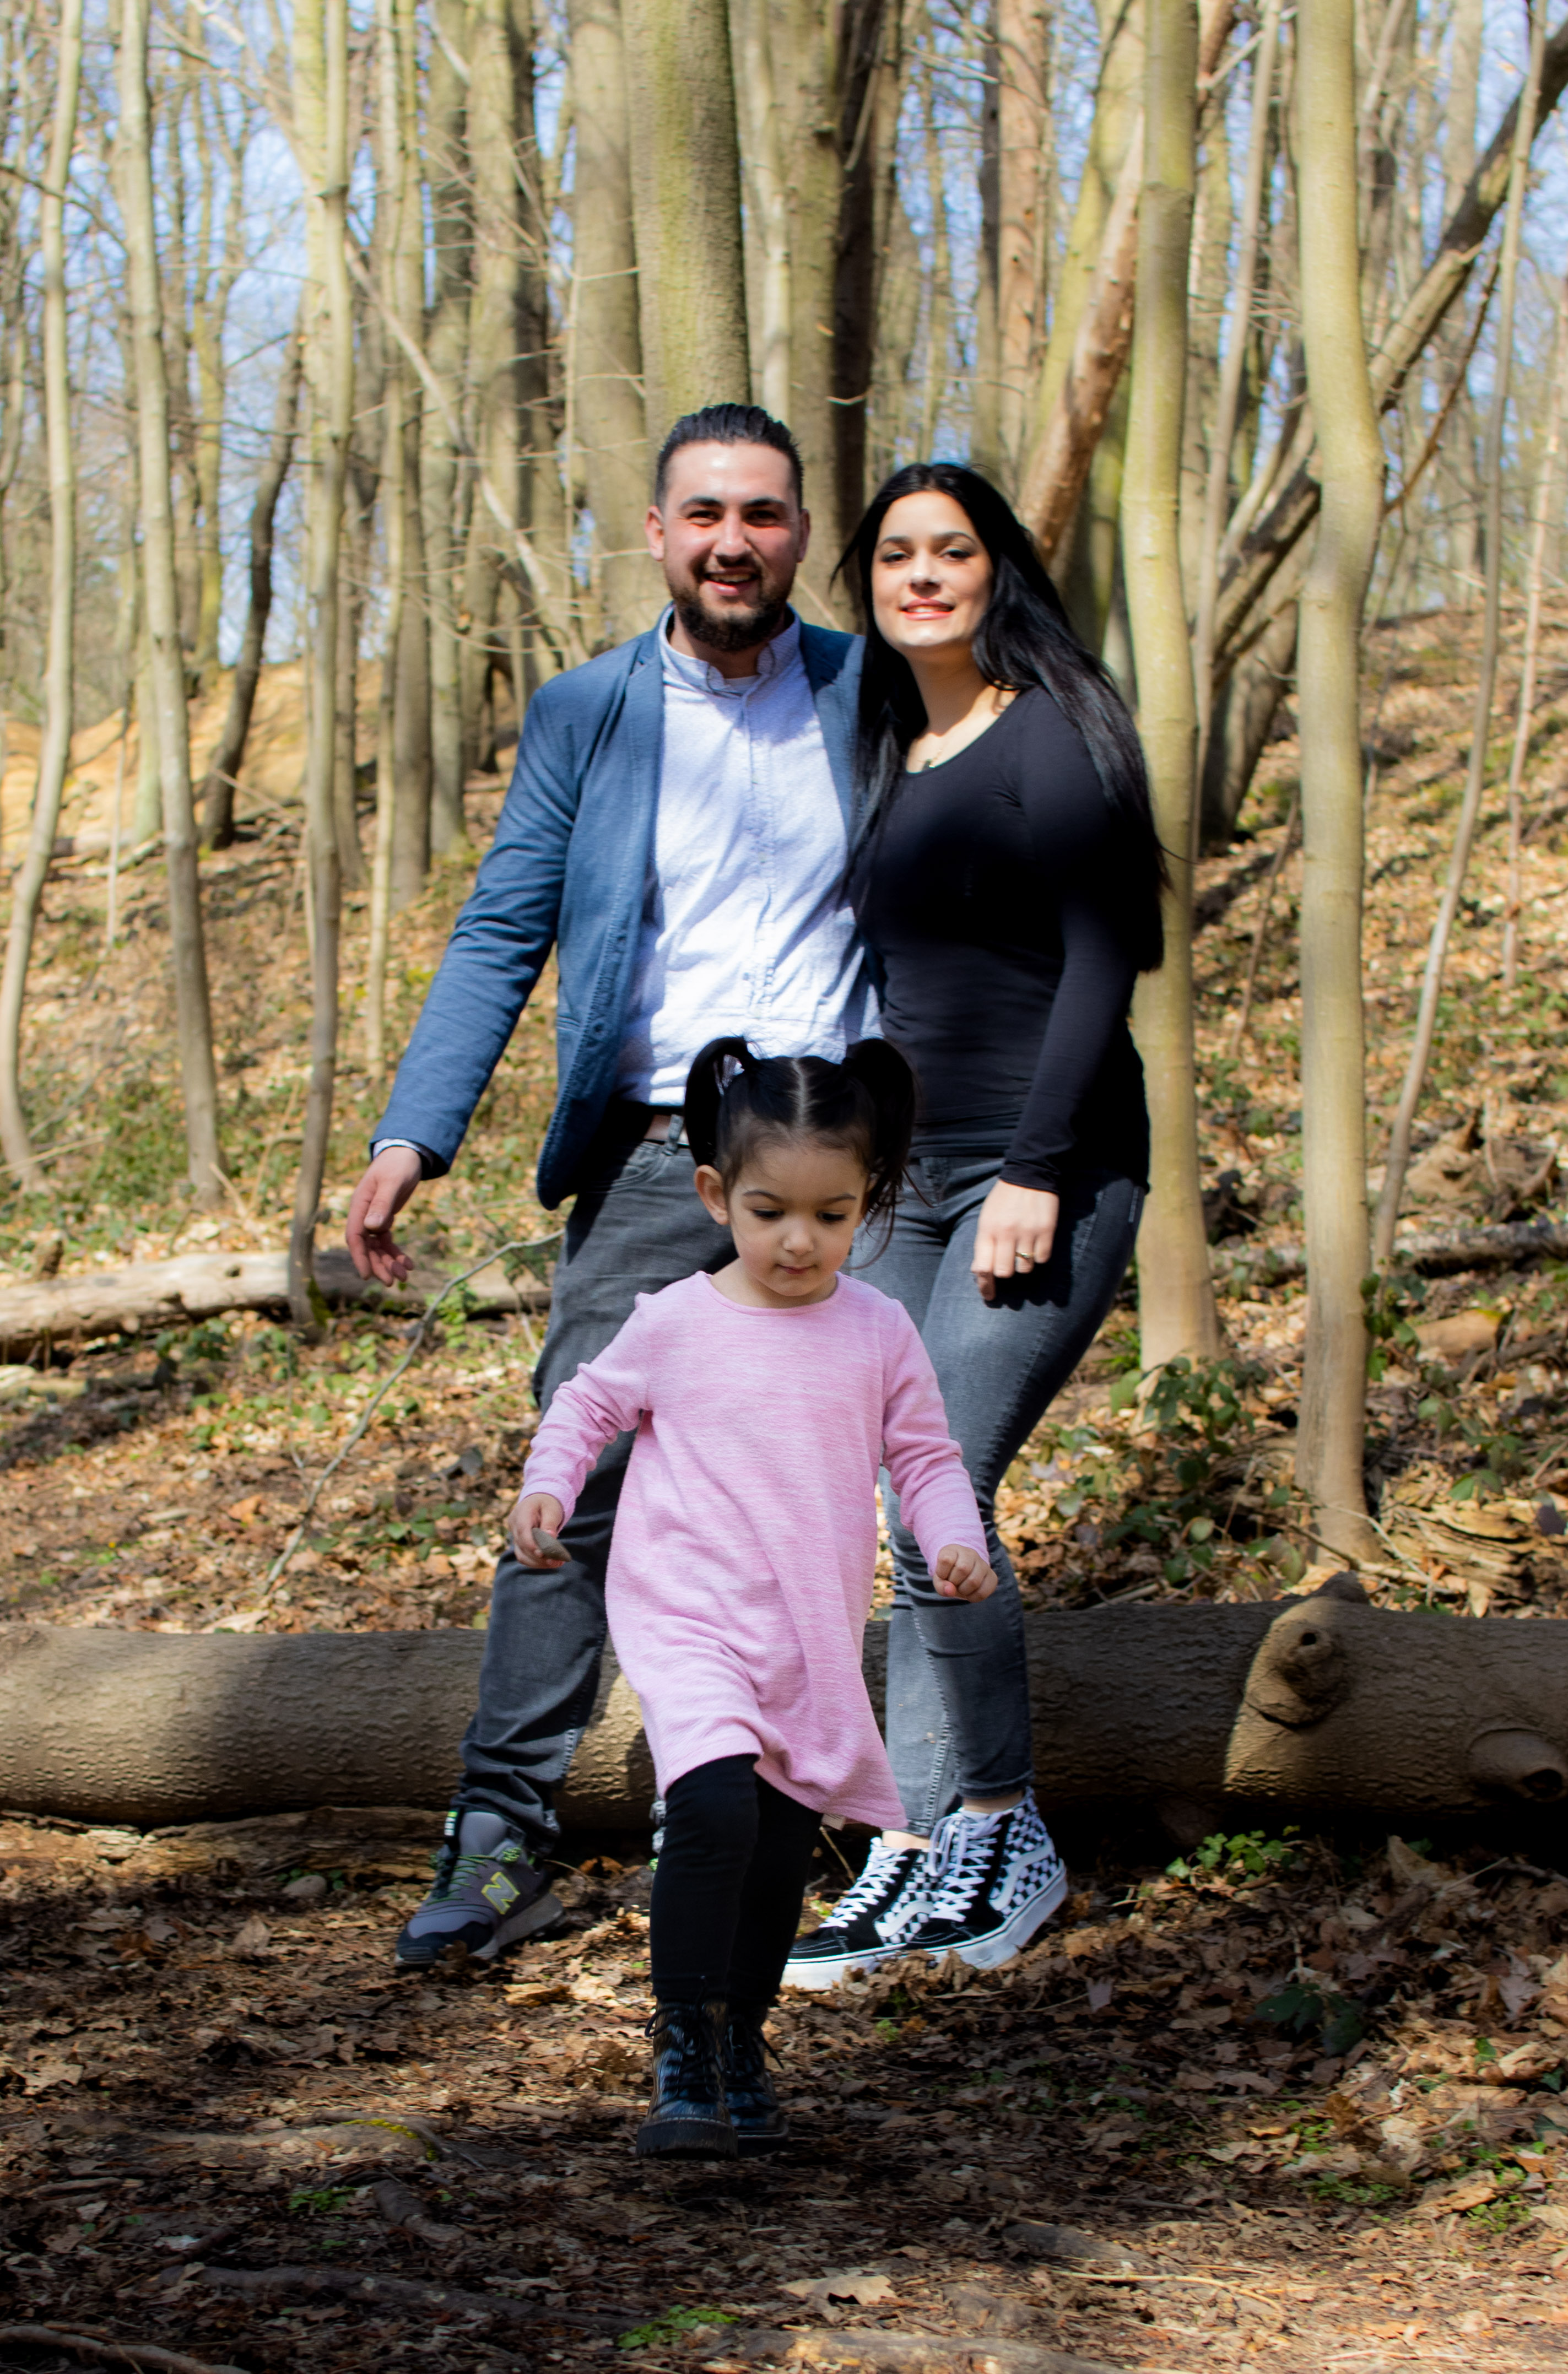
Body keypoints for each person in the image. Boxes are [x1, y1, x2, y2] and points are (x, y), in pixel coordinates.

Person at [346, 403, 881, 1972]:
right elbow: (503, 920)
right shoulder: (590, 709)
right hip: (670, 1151)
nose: (734, 539)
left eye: (766, 513)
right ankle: (502, 1828)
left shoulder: (870, 689)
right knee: (575, 1492)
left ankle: (811, 1821)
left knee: (845, 1492)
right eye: (704, 511)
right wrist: (414, 1130)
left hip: (853, 1156)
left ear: (799, 531)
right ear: (655, 532)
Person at [782, 463, 1166, 1989]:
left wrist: (1035, 1165)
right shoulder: (897, 742)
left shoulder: (1053, 731)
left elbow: (1100, 957)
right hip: (910, 1177)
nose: (922, 573)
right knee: (880, 1482)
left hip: (1042, 1168)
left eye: (952, 549)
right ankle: (909, 1842)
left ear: (999, 569)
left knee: (936, 1477)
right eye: (895, 553)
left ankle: (1002, 1823)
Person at [511, 1039, 995, 2157]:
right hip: (688, 1616)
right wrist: (547, 1487)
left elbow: (924, 1456)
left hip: (807, 1632)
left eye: (833, 1216)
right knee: (717, 1805)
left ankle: (743, 2037)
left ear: (866, 1204)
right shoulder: (679, 1317)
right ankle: (683, 2045)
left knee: (782, 1847)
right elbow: (585, 1407)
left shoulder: (877, 1330)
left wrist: (956, 1540)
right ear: (717, 1194)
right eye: (772, 1210)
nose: (799, 1240)